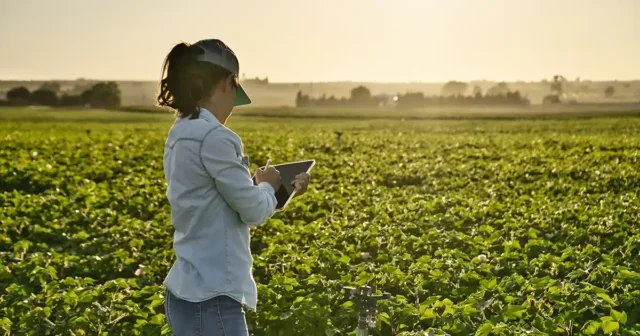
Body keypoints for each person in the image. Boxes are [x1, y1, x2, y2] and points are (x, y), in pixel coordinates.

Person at [157, 38, 311, 336]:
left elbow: (214, 203)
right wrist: (267, 186)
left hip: (185, 292)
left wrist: (276, 190)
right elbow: (253, 212)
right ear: (228, 83)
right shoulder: (217, 137)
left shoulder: (181, 131)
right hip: (212, 296)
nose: (232, 108)